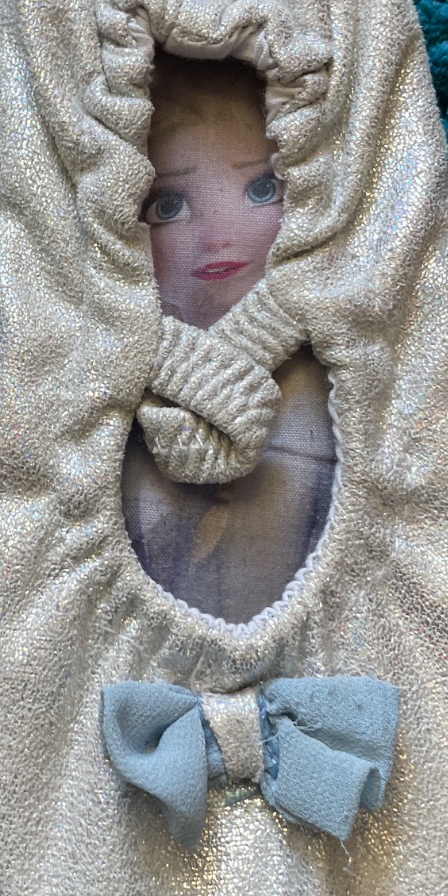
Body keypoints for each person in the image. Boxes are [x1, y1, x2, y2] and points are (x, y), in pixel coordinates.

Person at [122, 53, 337, 623]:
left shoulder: (336, 374)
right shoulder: (107, 374)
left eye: (263, 189)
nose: (219, 237)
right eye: (169, 205)